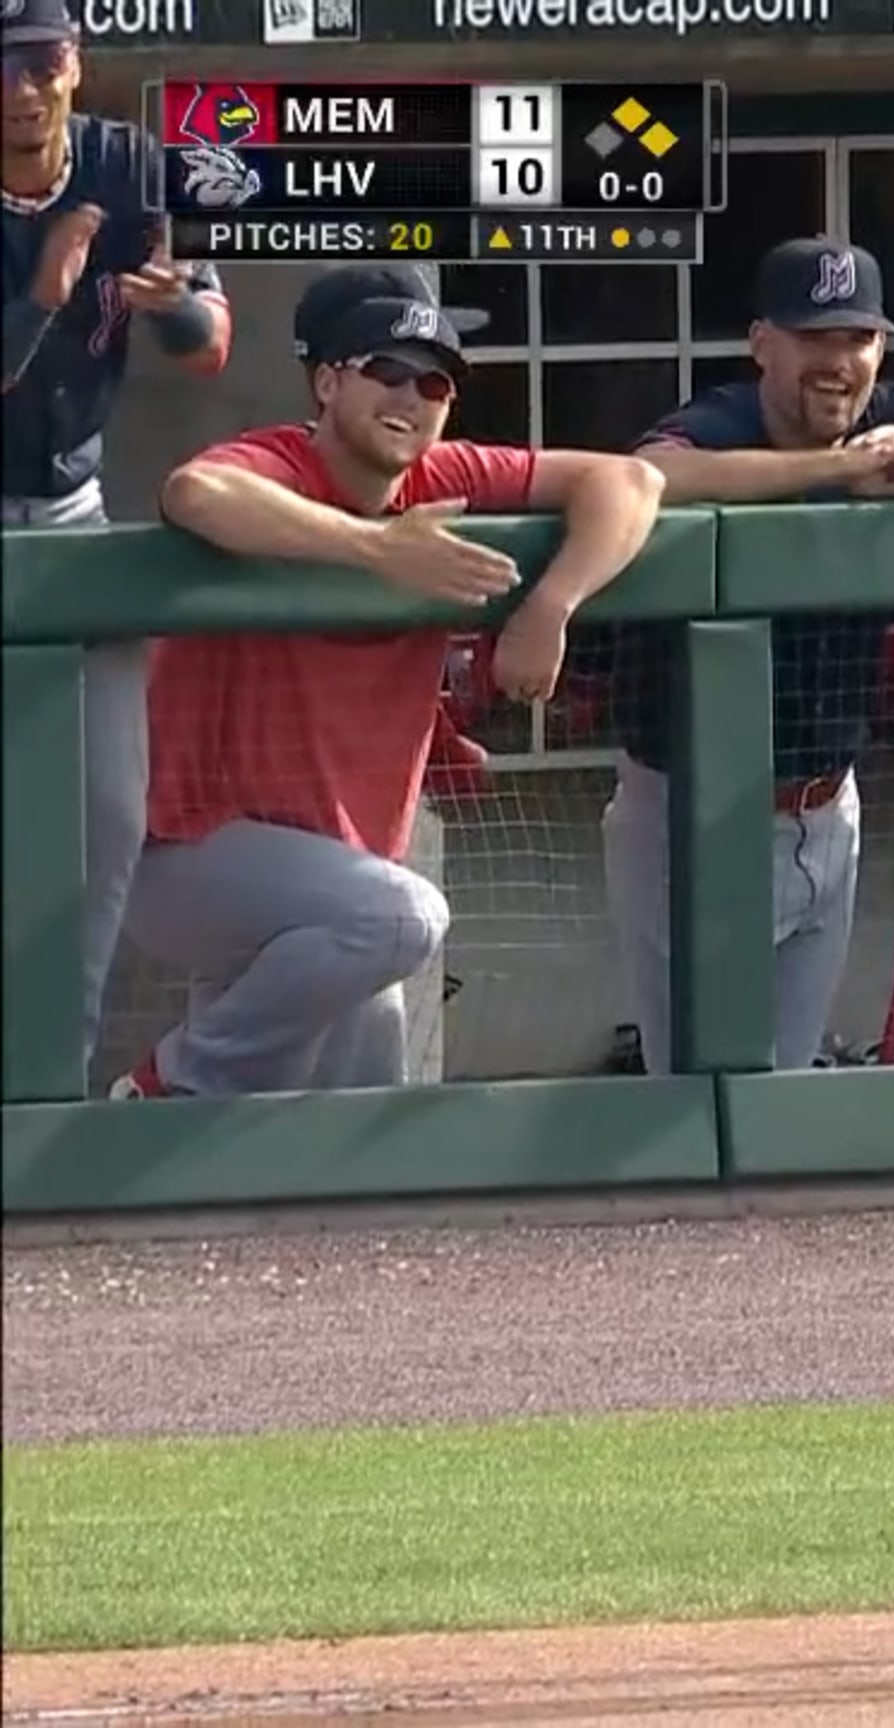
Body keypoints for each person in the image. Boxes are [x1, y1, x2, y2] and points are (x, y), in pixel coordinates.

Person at [115, 275, 663, 1097]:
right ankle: (168, 1083)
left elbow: (632, 483)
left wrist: (551, 606)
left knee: (354, 1109)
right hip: (191, 854)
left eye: (434, 380)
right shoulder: (279, 461)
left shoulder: (447, 474)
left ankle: (157, 1146)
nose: (414, 395)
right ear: (329, 382)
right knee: (404, 920)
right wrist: (376, 550)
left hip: (325, 880)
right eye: (389, 372)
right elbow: (195, 493)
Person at [609, 238, 894, 1074]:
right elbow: (650, 475)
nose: (839, 362)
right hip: (693, 810)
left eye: (857, 338)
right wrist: (835, 471)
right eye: (814, 338)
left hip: (830, 805)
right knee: (687, 1089)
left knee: (784, 1090)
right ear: (762, 344)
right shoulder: (724, 419)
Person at [5, 0, 235, 1079]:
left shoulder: (131, 166)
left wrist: (177, 304)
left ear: (74, 64)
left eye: (40, 61)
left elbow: (209, 346)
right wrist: (43, 298)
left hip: (73, 519)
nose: (21, 89)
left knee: (103, 824)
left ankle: (55, 1081)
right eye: (0, 67)